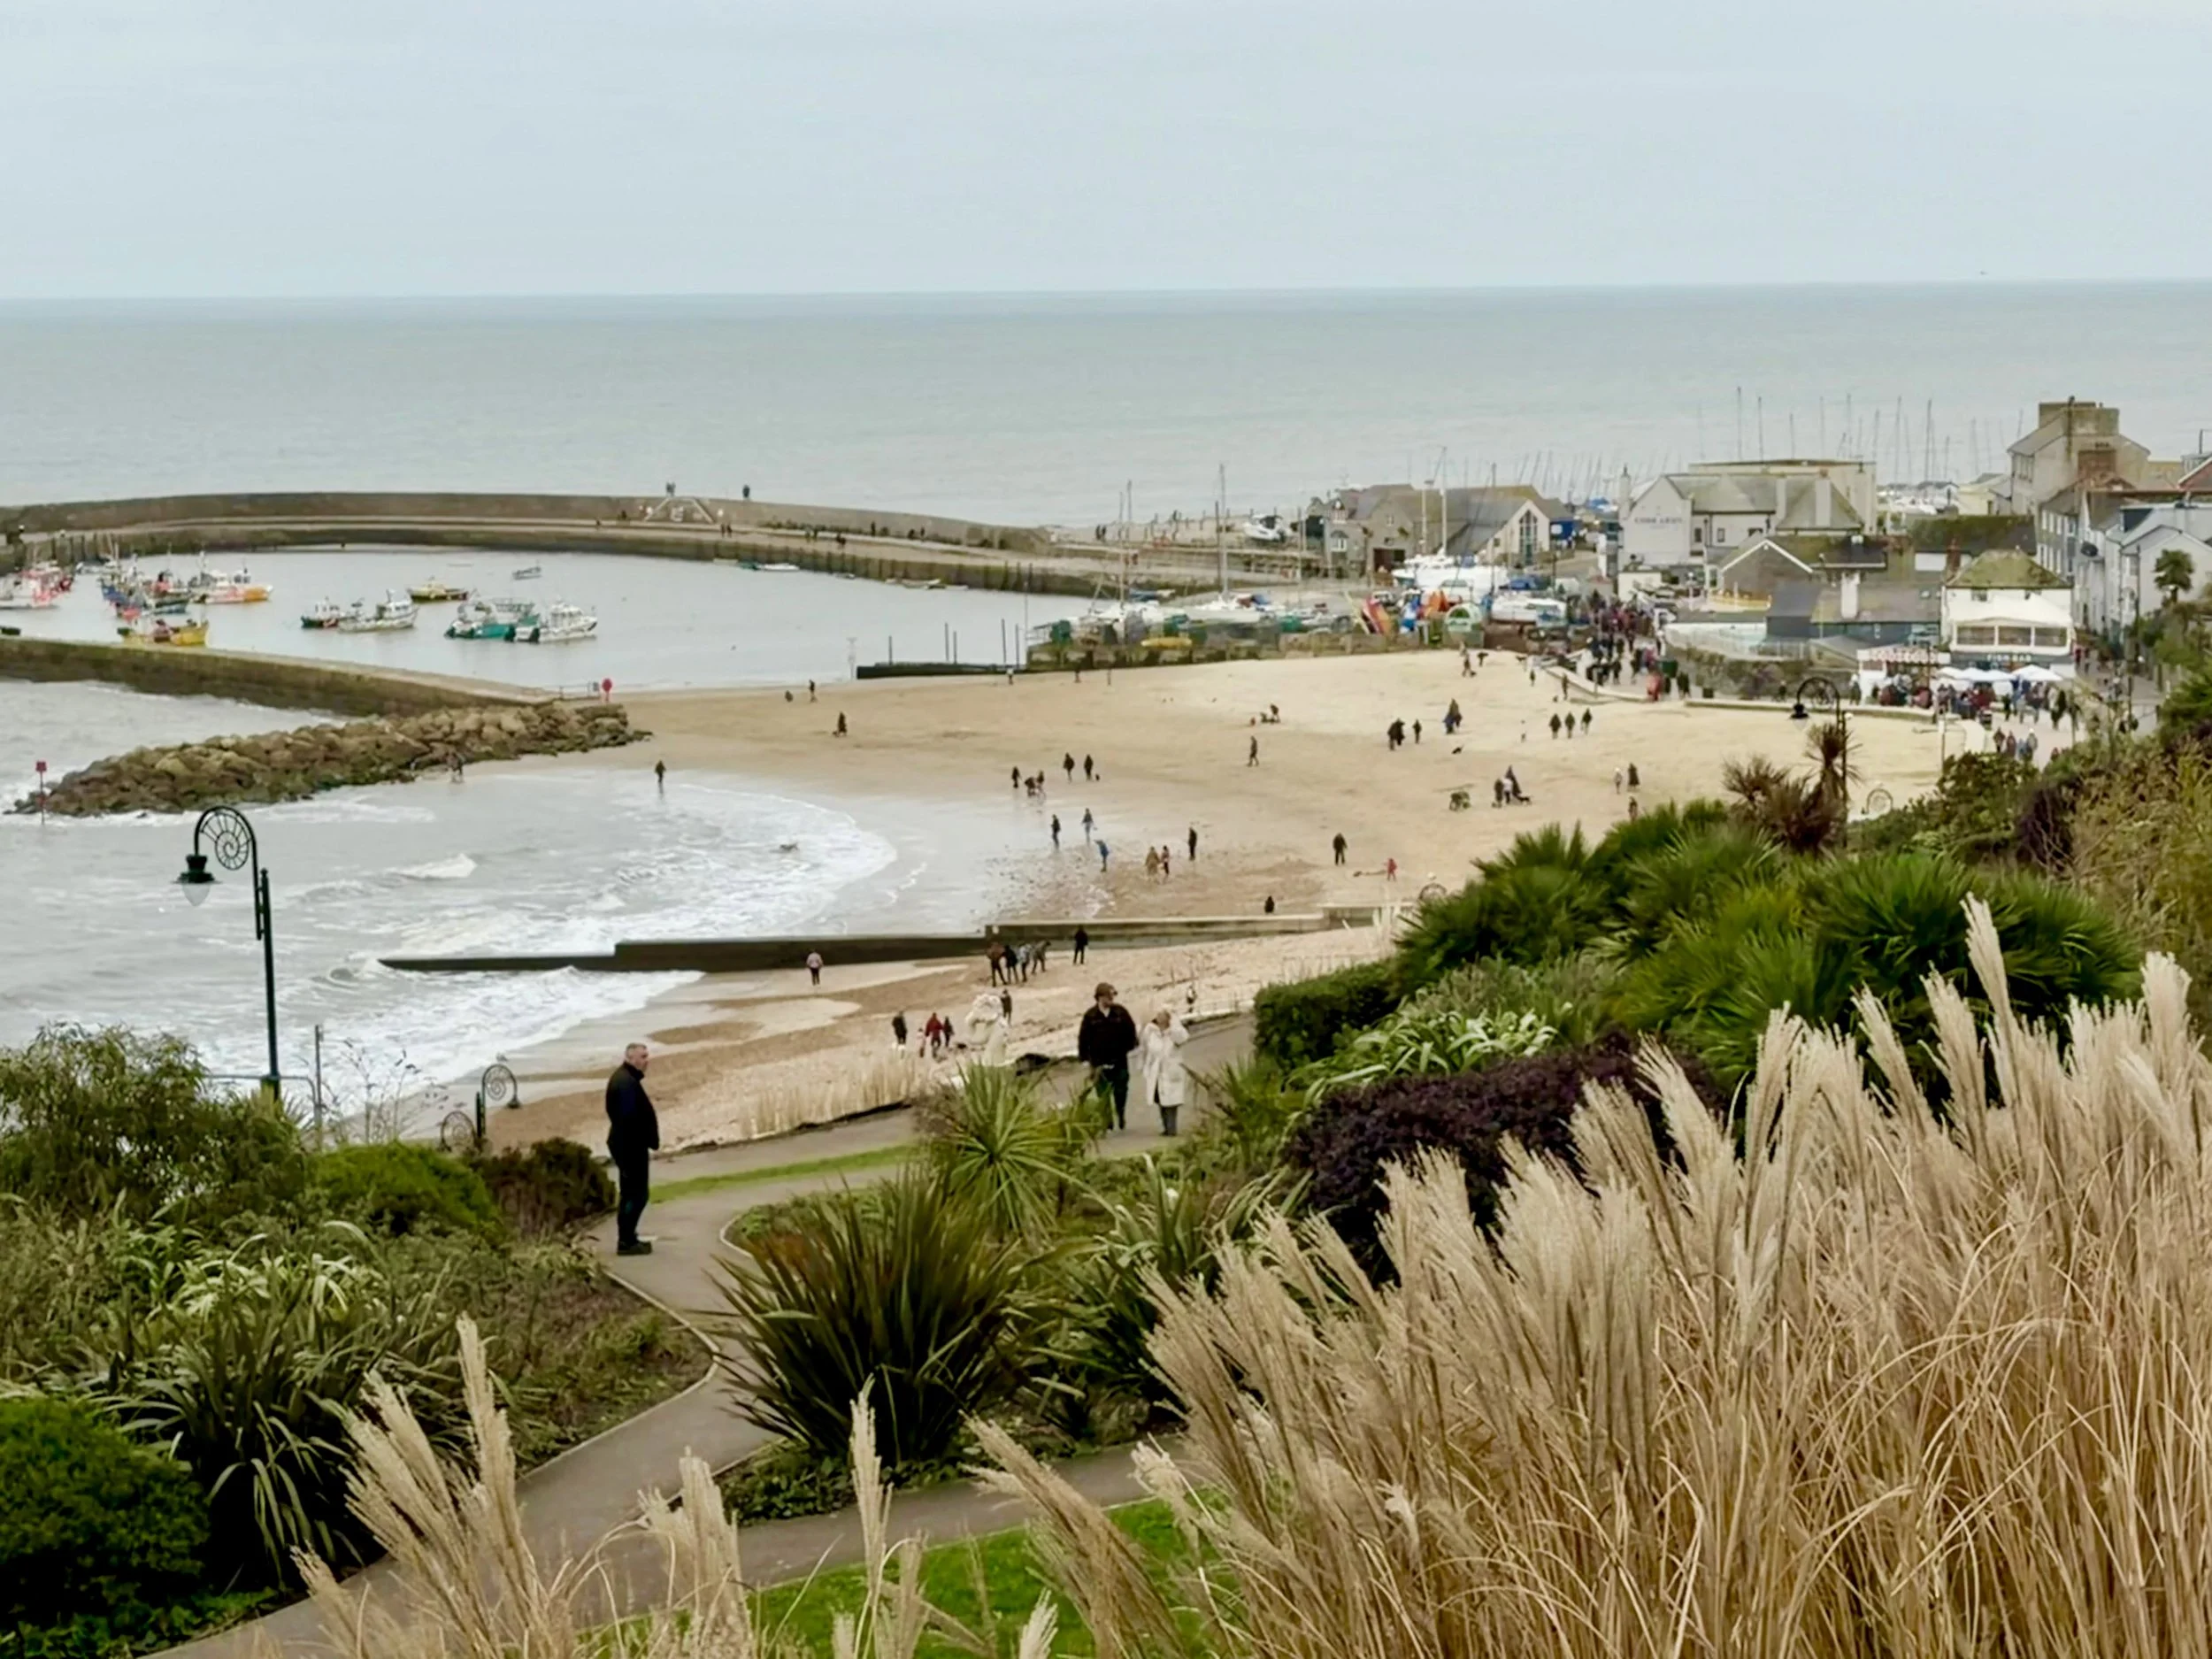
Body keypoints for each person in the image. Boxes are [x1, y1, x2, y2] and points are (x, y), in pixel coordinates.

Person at [605, 1042, 660, 1256]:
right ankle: (626, 1240)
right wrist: (641, 1141)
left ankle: (628, 1236)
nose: (647, 1060)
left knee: (632, 1193)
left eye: (647, 1056)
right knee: (636, 1194)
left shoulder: (626, 1079)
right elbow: (628, 1119)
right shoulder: (625, 1083)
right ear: (630, 1058)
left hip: (628, 1145)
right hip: (629, 1147)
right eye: (643, 1056)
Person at [1079, 981, 1141, 1130]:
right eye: (1108, 996)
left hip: (1119, 1061)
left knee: (1121, 1091)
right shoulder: (1090, 1016)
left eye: (1113, 995)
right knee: (1103, 1094)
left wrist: (1127, 1048)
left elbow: (1131, 1032)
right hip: (1098, 1062)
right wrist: (1085, 1058)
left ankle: (1121, 1113)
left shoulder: (1121, 1012)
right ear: (1100, 998)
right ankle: (1108, 1120)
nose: (1111, 999)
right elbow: (1083, 1038)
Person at [1140, 1007, 1190, 1136]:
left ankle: (1171, 1129)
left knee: (1171, 1101)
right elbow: (1145, 1048)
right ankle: (1166, 1127)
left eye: (1162, 1015)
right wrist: (1145, 1066)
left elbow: (1182, 1038)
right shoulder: (1151, 1031)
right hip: (1156, 1071)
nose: (1158, 1017)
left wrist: (1173, 1025)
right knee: (1159, 1098)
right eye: (1157, 1014)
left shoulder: (1175, 1033)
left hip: (1171, 1070)